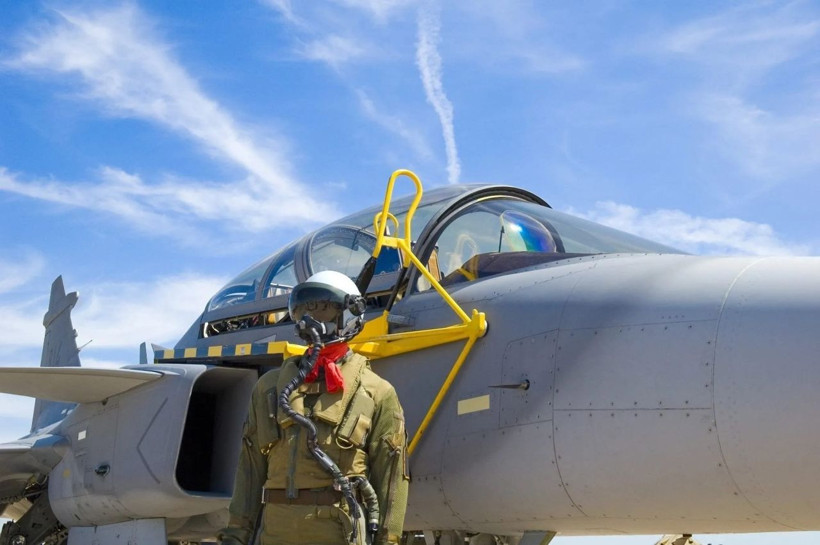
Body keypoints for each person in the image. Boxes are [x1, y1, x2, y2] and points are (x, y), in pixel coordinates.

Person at [219, 270, 409, 545]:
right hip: (276, 532)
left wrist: (388, 541)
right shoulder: (269, 388)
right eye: (304, 311)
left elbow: (392, 480)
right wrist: (235, 537)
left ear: (350, 315)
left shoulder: (377, 392)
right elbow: (249, 469)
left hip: (339, 532)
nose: (312, 321)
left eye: (324, 311)